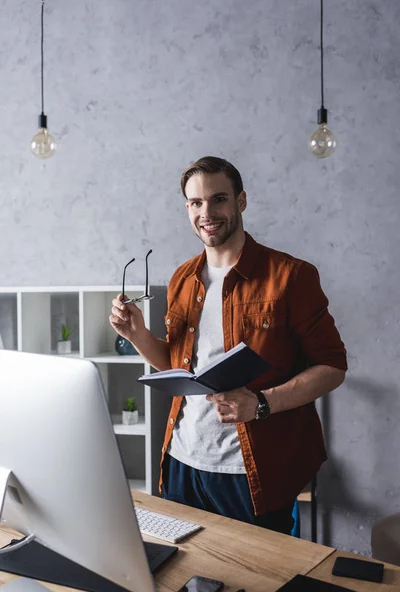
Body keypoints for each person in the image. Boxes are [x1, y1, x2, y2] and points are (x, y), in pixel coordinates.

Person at [109, 156, 347, 535]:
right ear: (187, 208)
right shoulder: (182, 278)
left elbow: (332, 367)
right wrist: (136, 334)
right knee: (185, 576)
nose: (207, 213)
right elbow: (177, 366)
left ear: (241, 201)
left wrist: (262, 403)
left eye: (218, 199)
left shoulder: (291, 276)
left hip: (255, 473)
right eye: (196, 203)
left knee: (258, 579)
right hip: (182, 463)